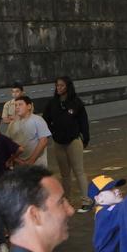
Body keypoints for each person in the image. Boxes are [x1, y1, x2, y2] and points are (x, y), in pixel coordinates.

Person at [43, 76, 92, 212]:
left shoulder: (76, 103)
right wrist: (52, 132)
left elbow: (83, 121)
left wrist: (85, 138)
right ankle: (67, 201)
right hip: (58, 142)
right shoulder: (52, 103)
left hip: (73, 141)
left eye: (62, 86)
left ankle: (86, 201)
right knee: (65, 174)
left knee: (79, 171)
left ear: (68, 87)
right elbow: (45, 120)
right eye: (57, 85)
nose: (59, 88)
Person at [8, 94, 52, 168]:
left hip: (37, 163)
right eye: (16, 105)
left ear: (29, 106)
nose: (17, 107)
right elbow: (8, 142)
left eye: (20, 104)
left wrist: (31, 161)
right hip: (19, 163)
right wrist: (15, 159)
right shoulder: (13, 123)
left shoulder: (37, 120)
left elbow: (43, 141)